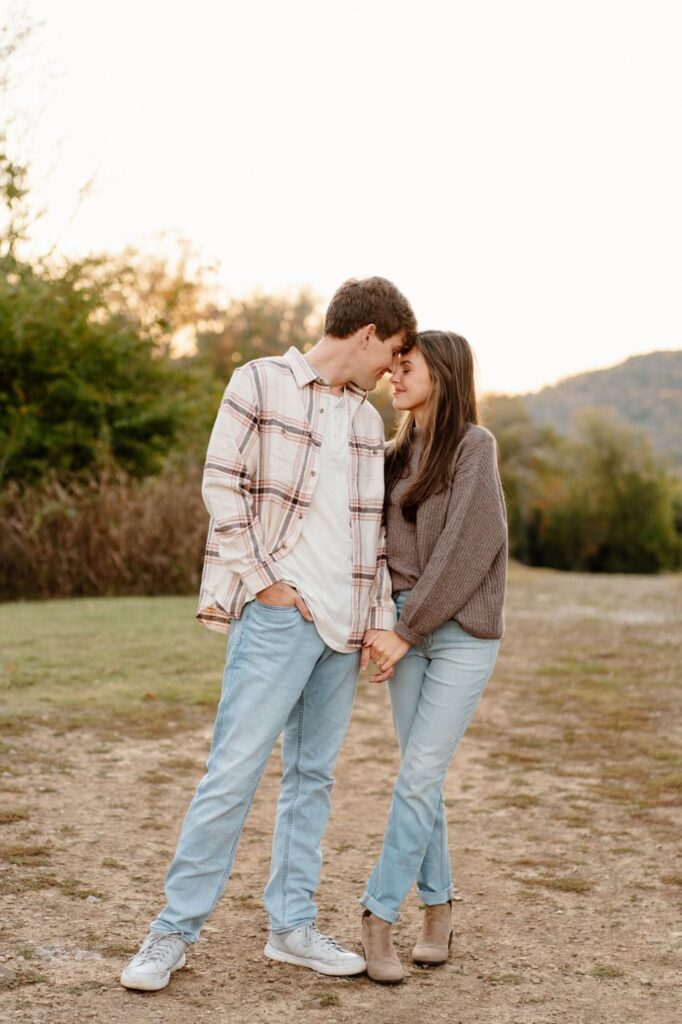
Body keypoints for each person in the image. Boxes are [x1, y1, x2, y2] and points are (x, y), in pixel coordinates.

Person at [120, 277, 417, 991]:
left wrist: (377, 619)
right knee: (234, 772)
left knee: (312, 778)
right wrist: (264, 585)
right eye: (395, 352)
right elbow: (220, 486)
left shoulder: (367, 421)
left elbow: (369, 535)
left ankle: (291, 928)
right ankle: (171, 932)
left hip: (342, 631)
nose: (393, 370)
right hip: (280, 617)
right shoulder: (258, 382)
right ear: (369, 333)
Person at [358, 330, 507, 983]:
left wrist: (408, 629)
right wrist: (378, 623)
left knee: (418, 776)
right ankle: (439, 910)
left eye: (406, 366)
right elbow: (377, 551)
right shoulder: (392, 456)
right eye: (392, 367)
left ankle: (376, 915)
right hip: (401, 629)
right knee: (422, 777)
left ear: (441, 374)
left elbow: (470, 550)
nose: (395, 376)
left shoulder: (475, 447)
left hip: (460, 634)